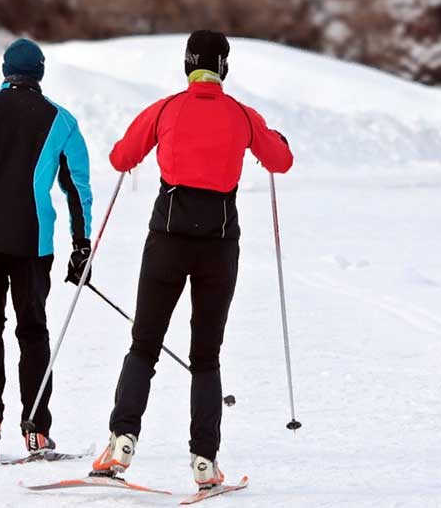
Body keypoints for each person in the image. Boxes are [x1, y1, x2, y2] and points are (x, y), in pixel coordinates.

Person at [91, 30, 293, 488]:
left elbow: (121, 157)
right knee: (206, 356)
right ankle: (205, 460)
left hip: (167, 241)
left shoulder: (165, 109)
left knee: (144, 343)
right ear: (223, 67)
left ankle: (122, 441)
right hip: (219, 247)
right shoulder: (242, 115)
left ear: (187, 65)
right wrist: (274, 138)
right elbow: (280, 161)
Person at [0, 38, 93, 459]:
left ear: (5, 70)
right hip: (33, 242)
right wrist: (82, 246)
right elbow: (77, 189)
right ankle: (36, 430)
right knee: (33, 330)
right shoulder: (62, 121)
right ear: (39, 73)